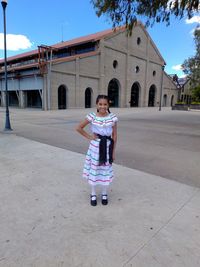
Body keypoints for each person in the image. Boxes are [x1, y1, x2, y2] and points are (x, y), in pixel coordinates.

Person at [76, 95, 118, 206]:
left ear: (108, 105)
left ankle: (104, 193)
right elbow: (78, 128)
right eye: (100, 104)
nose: (103, 106)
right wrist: (90, 137)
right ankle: (93, 193)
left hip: (108, 146)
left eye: (105, 104)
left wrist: (113, 151)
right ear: (96, 105)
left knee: (105, 170)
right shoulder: (92, 117)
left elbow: (115, 135)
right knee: (94, 170)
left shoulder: (112, 117)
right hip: (95, 147)